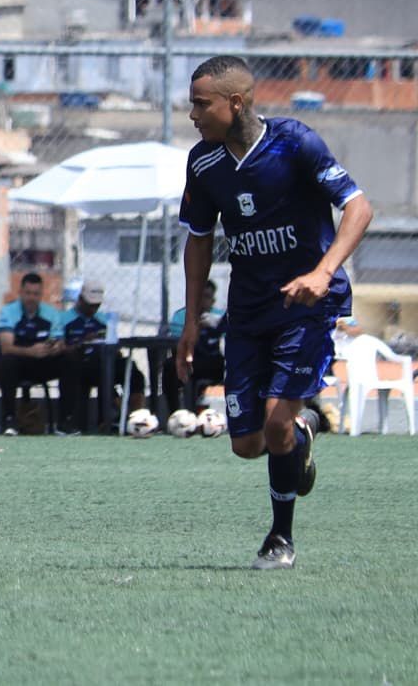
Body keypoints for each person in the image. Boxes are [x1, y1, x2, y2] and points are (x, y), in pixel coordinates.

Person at [176, 54, 372, 570]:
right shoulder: (204, 162)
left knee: (276, 423)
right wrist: (191, 321)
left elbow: (359, 207)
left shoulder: (294, 143)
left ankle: (279, 538)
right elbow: (198, 241)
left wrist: (322, 272)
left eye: (201, 104)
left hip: (305, 307)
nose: (192, 115)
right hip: (248, 310)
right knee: (247, 445)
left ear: (235, 102)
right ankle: (302, 432)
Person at [58, 279, 147, 431]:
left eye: (96, 305)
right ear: (80, 299)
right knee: (91, 371)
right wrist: (83, 342)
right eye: (90, 304)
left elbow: (114, 346)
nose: (93, 308)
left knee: (131, 370)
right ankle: (101, 419)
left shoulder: (104, 319)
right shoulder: (63, 319)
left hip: (104, 361)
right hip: (79, 364)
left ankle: (136, 416)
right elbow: (60, 349)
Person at [0, 272, 64, 435]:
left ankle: (66, 421)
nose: (31, 298)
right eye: (28, 293)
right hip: (15, 362)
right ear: (21, 292)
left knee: (70, 360)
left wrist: (55, 347)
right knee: (7, 362)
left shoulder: (51, 313)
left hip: (40, 363)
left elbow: (59, 340)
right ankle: (10, 420)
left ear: (41, 294)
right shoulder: (9, 312)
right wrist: (31, 351)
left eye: (36, 294)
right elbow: (6, 346)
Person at [162, 279, 226, 412]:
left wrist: (217, 325)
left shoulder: (219, 317)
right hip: (187, 359)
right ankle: (175, 413)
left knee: (230, 365)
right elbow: (175, 341)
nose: (203, 301)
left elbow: (232, 337)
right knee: (169, 366)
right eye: (200, 296)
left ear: (213, 300)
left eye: (207, 297)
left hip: (212, 360)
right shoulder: (181, 316)